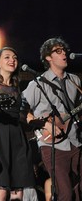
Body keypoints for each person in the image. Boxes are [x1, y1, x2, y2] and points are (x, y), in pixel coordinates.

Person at [22, 37, 82, 200]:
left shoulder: (74, 80)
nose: (64, 53)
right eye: (58, 51)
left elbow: (77, 111)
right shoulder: (38, 83)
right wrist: (45, 125)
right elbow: (22, 111)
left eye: (64, 50)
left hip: (75, 140)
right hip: (52, 144)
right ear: (48, 57)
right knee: (65, 193)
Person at [0, 47, 35, 200]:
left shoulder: (17, 89)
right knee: (1, 190)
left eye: (15, 57)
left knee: (18, 192)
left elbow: (22, 115)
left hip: (17, 139)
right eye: (7, 57)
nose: (12, 60)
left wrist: (39, 121)